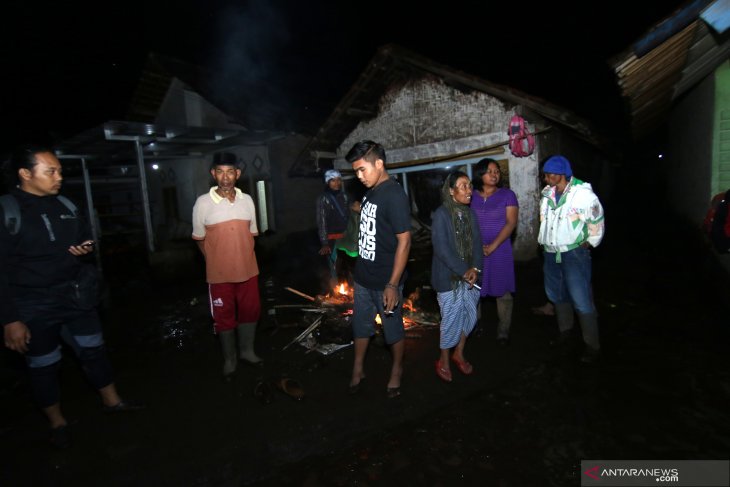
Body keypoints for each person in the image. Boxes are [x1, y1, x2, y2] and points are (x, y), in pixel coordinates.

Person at [0, 146, 144, 449]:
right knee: (43, 364)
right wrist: (10, 318)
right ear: (25, 174)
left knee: (94, 350)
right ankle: (57, 422)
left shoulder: (65, 204)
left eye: (60, 171)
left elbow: (84, 236)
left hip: (75, 296)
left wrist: (85, 246)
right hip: (32, 304)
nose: (59, 177)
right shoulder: (7, 211)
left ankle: (113, 402)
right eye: (51, 171)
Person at [345, 140, 411, 398]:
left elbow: (405, 241)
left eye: (362, 170)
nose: (359, 176)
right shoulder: (371, 191)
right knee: (361, 326)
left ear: (379, 164)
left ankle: (397, 370)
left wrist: (393, 284)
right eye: (356, 172)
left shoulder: (394, 194)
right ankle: (358, 368)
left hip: (386, 280)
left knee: (392, 329)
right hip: (363, 277)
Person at [192, 152, 262, 381]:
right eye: (220, 171)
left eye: (230, 171)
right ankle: (230, 359)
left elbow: (252, 234)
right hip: (219, 275)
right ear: (213, 174)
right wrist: (214, 260)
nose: (225, 177)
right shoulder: (202, 203)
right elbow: (199, 239)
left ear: (238, 174)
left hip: (248, 270)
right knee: (224, 316)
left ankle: (247, 352)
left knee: (251, 311)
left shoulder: (248, 201)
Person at [537, 155, 605, 363]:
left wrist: (590, 241)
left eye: (549, 175)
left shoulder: (582, 195)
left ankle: (592, 346)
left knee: (581, 298)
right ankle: (565, 333)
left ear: (560, 175)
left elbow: (597, 219)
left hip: (573, 252)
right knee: (557, 294)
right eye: (545, 175)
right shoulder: (547, 195)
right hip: (551, 252)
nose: (545, 178)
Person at [431, 171, 482, 382]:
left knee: (469, 316)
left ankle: (458, 353)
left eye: (469, 185)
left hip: (471, 277)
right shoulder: (442, 215)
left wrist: (476, 269)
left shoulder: (470, 214)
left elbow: (478, 245)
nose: (468, 190)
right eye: (462, 186)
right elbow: (442, 250)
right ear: (451, 191)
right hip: (448, 278)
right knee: (450, 320)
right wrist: (464, 270)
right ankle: (443, 359)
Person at [470, 159, 519, 346]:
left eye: (497, 171)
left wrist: (493, 245)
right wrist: (476, 245)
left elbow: (511, 222)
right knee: (474, 288)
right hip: (476, 250)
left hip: (500, 250)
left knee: (503, 290)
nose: (494, 174)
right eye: (489, 171)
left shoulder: (508, 195)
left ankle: (503, 331)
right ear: (480, 174)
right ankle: (475, 325)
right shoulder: (471, 196)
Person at [315, 169, 354, 288]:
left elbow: (352, 218)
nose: (336, 183)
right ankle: (336, 297)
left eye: (338, 180)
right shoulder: (323, 199)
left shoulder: (346, 197)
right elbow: (321, 222)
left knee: (350, 269)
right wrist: (324, 243)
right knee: (334, 270)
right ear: (327, 182)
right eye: (333, 180)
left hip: (347, 239)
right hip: (332, 241)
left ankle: (354, 295)